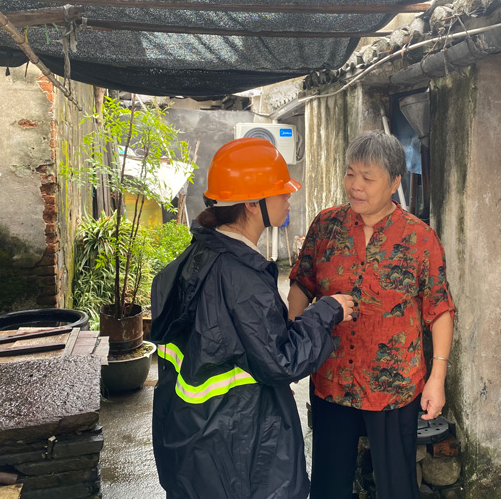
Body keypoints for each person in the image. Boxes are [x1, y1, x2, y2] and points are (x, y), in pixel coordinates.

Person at [151, 137, 354, 499]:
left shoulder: (192, 260)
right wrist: (328, 310)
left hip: (192, 444)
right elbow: (281, 361)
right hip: (237, 451)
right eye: (280, 191)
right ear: (251, 203)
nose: (288, 198)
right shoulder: (241, 277)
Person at [288, 130, 456, 499]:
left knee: (397, 487)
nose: (355, 185)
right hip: (332, 378)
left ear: (395, 181)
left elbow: (439, 308)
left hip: (393, 386)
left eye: (368, 177)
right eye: (350, 173)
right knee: (329, 485)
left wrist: (437, 377)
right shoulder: (326, 226)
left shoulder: (419, 238)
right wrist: (291, 346)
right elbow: (302, 284)